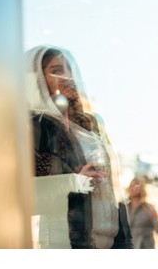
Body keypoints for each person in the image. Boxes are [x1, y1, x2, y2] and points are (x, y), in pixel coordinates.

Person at [25, 44, 132, 248]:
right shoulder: (39, 126)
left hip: (111, 242)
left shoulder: (92, 127)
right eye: (57, 71)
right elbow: (27, 194)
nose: (68, 77)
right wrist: (76, 182)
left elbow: (114, 189)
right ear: (37, 81)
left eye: (69, 70)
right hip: (69, 243)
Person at [126, 177, 158, 249]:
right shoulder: (122, 207)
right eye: (132, 185)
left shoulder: (149, 209)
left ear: (142, 190)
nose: (133, 188)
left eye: (136, 186)